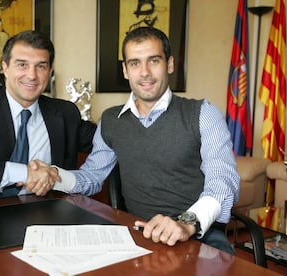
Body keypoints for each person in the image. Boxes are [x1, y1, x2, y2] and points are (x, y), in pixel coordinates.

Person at [31, 26, 240, 255]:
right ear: (125, 70)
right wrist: (55, 176)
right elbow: (92, 177)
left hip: (200, 237)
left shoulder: (203, 113)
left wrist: (186, 223)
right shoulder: (111, 120)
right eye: (135, 63)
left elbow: (223, 182)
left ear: (169, 64)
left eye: (154, 61)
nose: (145, 72)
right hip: (137, 235)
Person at [0, 30, 96, 203]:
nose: (32, 75)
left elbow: (108, 138)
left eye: (41, 66)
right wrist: (26, 174)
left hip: (44, 213)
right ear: (5, 67)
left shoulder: (65, 113)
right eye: (22, 65)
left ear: (50, 71)